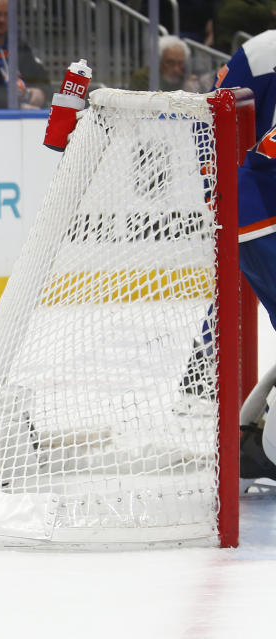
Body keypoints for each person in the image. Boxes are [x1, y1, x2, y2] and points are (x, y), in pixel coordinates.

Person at [214, 29, 276, 483]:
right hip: (258, 215)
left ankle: (254, 437)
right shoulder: (262, 52)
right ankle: (264, 452)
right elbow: (215, 123)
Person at [128, 35, 199, 92]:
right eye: (170, 62)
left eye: (180, 63)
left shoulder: (186, 78)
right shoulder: (142, 78)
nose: (176, 69)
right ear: (159, 61)